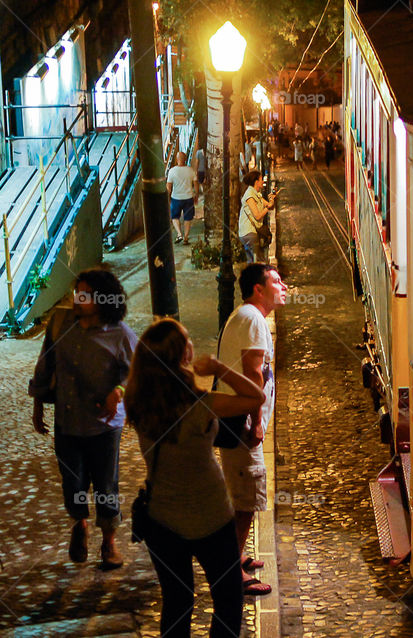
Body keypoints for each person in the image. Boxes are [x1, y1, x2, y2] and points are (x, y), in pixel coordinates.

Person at [126, 318, 265, 637]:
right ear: (183, 356)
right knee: (228, 599)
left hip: (162, 520)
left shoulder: (138, 404)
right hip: (211, 518)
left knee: (177, 602)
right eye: (187, 340)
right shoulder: (202, 405)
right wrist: (218, 368)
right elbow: (255, 396)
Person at [29, 268, 136, 569]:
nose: (78, 298)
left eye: (85, 294)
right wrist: (38, 407)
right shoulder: (60, 323)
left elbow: (136, 372)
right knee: (73, 483)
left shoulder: (120, 334)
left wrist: (118, 391)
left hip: (104, 427)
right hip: (67, 421)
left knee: (105, 486)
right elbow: (45, 365)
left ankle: (109, 543)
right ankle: (80, 524)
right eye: (78, 292)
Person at [217, 263, 286, 597]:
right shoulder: (253, 319)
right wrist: (257, 422)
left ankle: (236, 555)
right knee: (245, 499)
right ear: (258, 289)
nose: (282, 285)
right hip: (243, 425)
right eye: (275, 281)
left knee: (243, 492)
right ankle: (231, 572)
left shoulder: (245, 316)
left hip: (237, 421)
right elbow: (252, 374)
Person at [238, 170, 277, 263]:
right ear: (256, 182)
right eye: (261, 180)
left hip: (253, 232)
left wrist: (272, 199)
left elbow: (270, 207)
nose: (263, 182)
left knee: (253, 261)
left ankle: (252, 276)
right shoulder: (250, 196)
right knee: (259, 261)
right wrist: (268, 207)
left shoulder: (257, 194)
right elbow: (258, 216)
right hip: (248, 232)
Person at [166, 151, 199, 244]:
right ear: (185, 159)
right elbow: (196, 183)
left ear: (177, 160)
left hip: (176, 198)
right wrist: (196, 194)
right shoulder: (190, 170)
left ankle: (179, 234)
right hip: (188, 198)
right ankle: (186, 237)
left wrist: (168, 197)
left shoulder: (172, 171)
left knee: (175, 217)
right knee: (187, 218)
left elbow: (168, 187)